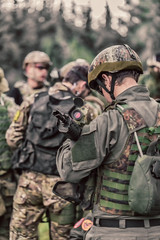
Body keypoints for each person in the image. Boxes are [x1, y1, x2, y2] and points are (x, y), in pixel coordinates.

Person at [56, 44, 160, 240]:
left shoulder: (109, 121)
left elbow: (68, 169)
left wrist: (73, 137)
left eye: (100, 88)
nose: (102, 94)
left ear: (106, 78)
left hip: (116, 231)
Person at [6, 63, 102, 239]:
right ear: (80, 85)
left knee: (20, 235)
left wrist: (30, 151)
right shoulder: (85, 109)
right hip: (63, 187)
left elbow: (12, 138)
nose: (88, 93)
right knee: (63, 237)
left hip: (29, 183)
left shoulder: (33, 99)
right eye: (88, 89)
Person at [0, 67, 18, 240]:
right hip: (6, 176)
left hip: (7, 177)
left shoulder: (9, 104)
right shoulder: (9, 105)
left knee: (6, 225)